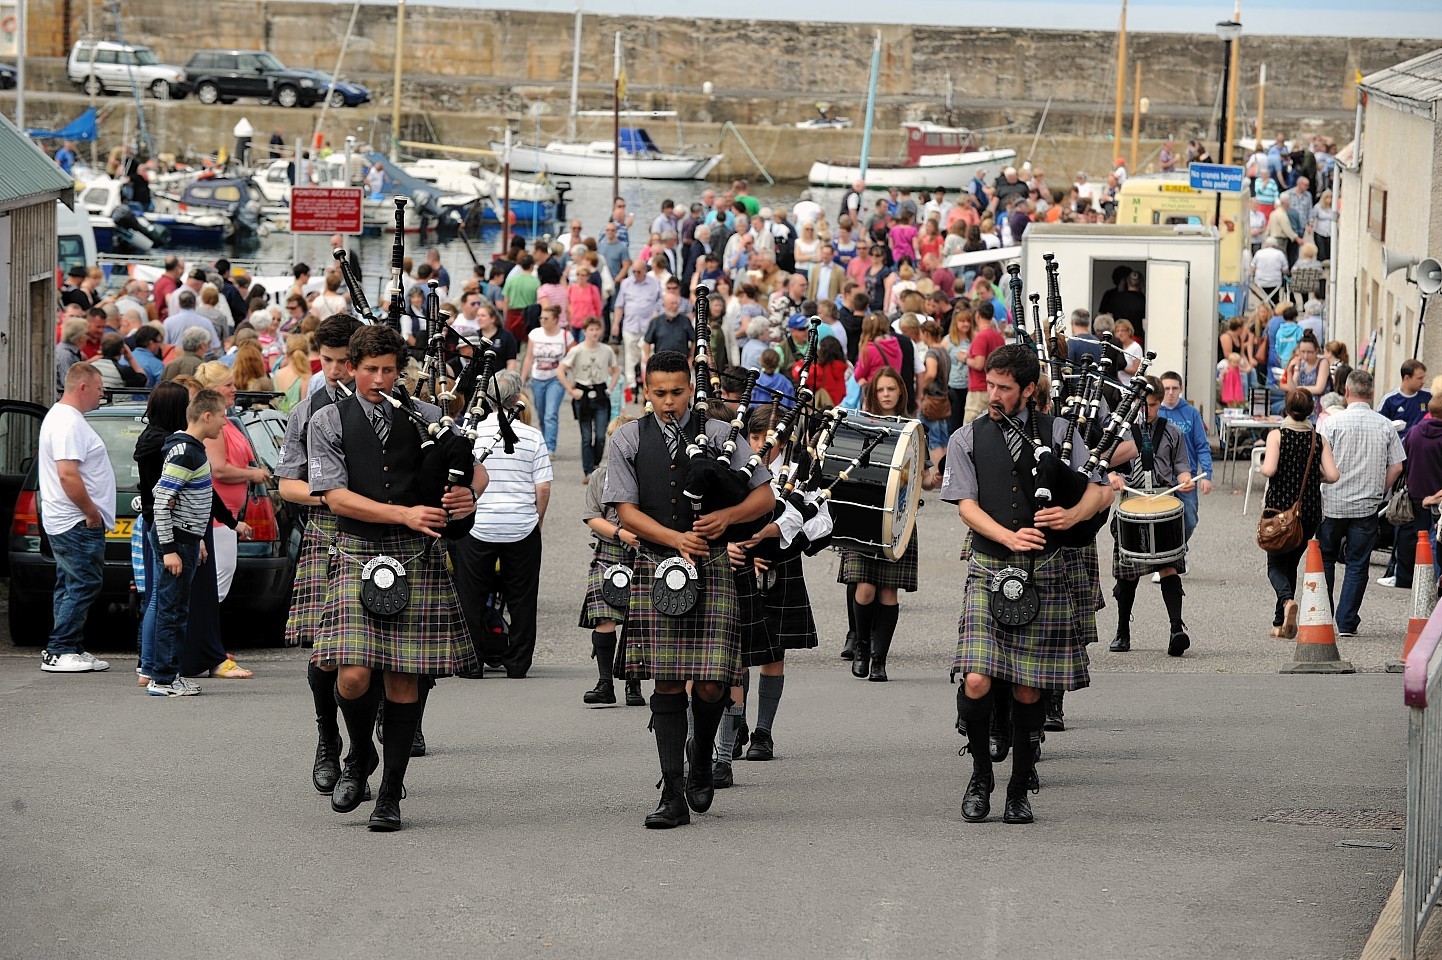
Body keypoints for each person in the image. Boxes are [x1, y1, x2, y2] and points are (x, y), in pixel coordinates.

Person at [307, 323, 485, 831]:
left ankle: (390, 794)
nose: (380, 379)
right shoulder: (329, 420)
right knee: (353, 674)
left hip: (415, 556)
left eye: (389, 370)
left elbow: (474, 471)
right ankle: (359, 756)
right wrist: (403, 514)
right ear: (352, 369)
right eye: (370, 370)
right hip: (359, 549)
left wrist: (468, 494)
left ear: (401, 370)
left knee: (404, 680)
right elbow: (335, 496)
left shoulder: (427, 417)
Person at [603, 350, 776, 829]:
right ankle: (673, 790)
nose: (668, 402)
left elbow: (764, 495)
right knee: (668, 678)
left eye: (677, 392)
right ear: (646, 389)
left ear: (691, 390)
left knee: (713, 680)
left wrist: (728, 516)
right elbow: (625, 509)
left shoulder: (721, 434)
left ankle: (702, 758)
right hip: (660, 566)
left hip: (715, 565)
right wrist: (675, 538)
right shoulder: (628, 440)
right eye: (658, 393)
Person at [942, 344, 1109, 825]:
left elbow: (1099, 489)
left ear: (1029, 390)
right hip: (989, 567)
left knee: (1030, 690)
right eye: (989, 385)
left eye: (1003, 388)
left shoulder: (1061, 433)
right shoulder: (966, 437)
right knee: (976, 678)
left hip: (1046, 571)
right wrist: (1008, 536)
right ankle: (980, 774)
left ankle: (1018, 787)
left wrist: (1072, 512)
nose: (992, 395)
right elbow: (966, 506)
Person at [276, 313, 365, 794]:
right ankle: (328, 738)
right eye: (326, 361)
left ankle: (369, 751)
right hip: (328, 533)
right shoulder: (306, 411)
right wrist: (334, 495)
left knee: (380, 655)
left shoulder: (396, 406)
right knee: (326, 653)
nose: (334, 371)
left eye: (344, 361)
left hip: (383, 537)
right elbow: (288, 486)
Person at [454, 371, 551, 680]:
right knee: (522, 596)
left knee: (470, 594)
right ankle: (518, 661)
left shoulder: (470, 433)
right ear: (516, 399)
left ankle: (473, 659)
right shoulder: (532, 436)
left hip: (477, 523)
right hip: (520, 524)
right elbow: (543, 486)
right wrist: (536, 520)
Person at [147, 389, 230, 697]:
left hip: (186, 539)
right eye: (221, 416)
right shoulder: (186, 452)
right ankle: (164, 679)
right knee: (172, 610)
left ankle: (168, 675)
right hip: (177, 542)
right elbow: (162, 498)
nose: (224, 422)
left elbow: (168, 493)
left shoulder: (189, 448)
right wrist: (170, 549)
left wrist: (197, 540)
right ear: (206, 416)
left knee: (178, 609)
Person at [1106, 376, 1196, 656]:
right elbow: (1104, 465)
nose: (1148, 412)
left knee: (1168, 567)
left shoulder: (1172, 433)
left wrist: (1186, 479)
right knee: (1127, 574)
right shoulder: (1121, 434)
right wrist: (1112, 476)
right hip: (1131, 504)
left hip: (1163, 502)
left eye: (1154, 405)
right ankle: (1122, 631)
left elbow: (1181, 466)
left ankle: (1176, 629)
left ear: (1160, 404)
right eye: (1143, 405)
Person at [838, 368, 917, 679]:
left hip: (897, 519)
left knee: (888, 593)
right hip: (865, 515)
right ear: (873, 393)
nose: (886, 394)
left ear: (900, 393)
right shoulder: (861, 425)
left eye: (892, 389)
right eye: (881, 389)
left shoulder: (912, 428)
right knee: (866, 589)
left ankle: (879, 660)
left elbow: (919, 474)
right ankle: (860, 645)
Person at [36, 363, 114, 674]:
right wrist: (90, 511)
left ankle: (71, 646)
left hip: (69, 518)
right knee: (84, 582)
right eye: (99, 388)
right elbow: (68, 475)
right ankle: (60, 648)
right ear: (82, 387)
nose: (102, 394)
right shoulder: (68, 423)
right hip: (75, 520)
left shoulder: (63, 418)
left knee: (69, 583)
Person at [1317, 370, 1406, 637]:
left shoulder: (1331, 423)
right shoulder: (1385, 425)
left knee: (1326, 560)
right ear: (1372, 393)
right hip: (1367, 505)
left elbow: (1320, 461)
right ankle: (1346, 621)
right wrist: (1380, 490)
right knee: (1357, 563)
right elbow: (1398, 466)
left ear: (1346, 391)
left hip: (1332, 502)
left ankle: (1322, 615)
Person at [189, 363, 262, 680]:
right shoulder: (214, 425)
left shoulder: (227, 421)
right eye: (229, 385)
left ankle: (211, 645)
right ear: (214, 391)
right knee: (212, 587)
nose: (235, 389)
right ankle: (209, 649)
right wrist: (254, 474)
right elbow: (218, 469)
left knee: (218, 585)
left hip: (226, 517)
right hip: (215, 517)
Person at [1259, 389, 1340, 638]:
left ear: (1286, 408)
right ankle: (1279, 623)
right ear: (1311, 411)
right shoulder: (1318, 439)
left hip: (1279, 510)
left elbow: (1269, 469)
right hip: (1309, 513)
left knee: (1274, 565)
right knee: (1291, 563)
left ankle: (1286, 602)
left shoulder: (1277, 435)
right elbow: (1333, 475)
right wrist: (1317, 475)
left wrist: (1264, 463)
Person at [578, 414, 644, 706]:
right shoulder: (600, 476)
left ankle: (634, 684)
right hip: (610, 552)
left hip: (643, 552)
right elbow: (593, 517)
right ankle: (605, 682)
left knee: (637, 620)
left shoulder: (649, 475)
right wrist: (620, 533)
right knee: (604, 618)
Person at [558, 317, 620, 483]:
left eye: (596, 329)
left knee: (601, 435)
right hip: (582, 392)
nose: (594, 333)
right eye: (591, 329)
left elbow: (615, 370)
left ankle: (595, 463)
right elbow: (561, 369)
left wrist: (610, 388)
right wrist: (571, 390)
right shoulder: (577, 350)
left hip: (600, 391)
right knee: (586, 435)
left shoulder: (606, 350)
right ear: (584, 331)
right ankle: (587, 470)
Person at [1156, 372, 1213, 542]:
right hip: (1162, 477)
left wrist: (1207, 475)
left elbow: (1202, 446)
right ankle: (1168, 557)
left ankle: (1180, 549)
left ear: (1181, 389)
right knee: (1162, 519)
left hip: (1188, 477)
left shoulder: (1191, 413)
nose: (1171, 392)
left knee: (1190, 519)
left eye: (1175, 388)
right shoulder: (1155, 412)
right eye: (1166, 388)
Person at [523, 304, 571, 456]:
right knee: (541, 414)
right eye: (541, 318)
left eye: (546, 318)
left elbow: (572, 358)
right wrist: (522, 378)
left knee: (551, 414)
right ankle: (544, 440)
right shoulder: (535, 334)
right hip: (537, 378)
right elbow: (529, 357)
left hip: (556, 379)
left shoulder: (565, 336)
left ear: (555, 320)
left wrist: (573, 380)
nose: (542, 320)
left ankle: (550, 448)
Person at [916, 319, 953, 489]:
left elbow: (930, 372)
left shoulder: (932, 353)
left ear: (926, 333)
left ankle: (938, 476)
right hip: (943, 398)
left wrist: (922, 388)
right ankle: (946, 473)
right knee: (943, 438)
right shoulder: (944, 351)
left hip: (932, 399)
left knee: (934, 440)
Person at [963, 302, 1007, 424]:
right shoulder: (999, 337)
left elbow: (979, 363)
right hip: (994, 388)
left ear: (977, 315)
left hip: (979, 388)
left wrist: (965, 359)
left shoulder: (981, 337)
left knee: (970, 426)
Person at [1379, 359, 1431, 437]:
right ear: (1407, 378)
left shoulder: (1429, 396)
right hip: (1399, 446)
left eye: (1423, 378)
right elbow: (1379, 426)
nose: (1423, 381)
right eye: (1419, 378)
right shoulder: (1389, 400)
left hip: (1421, 445)